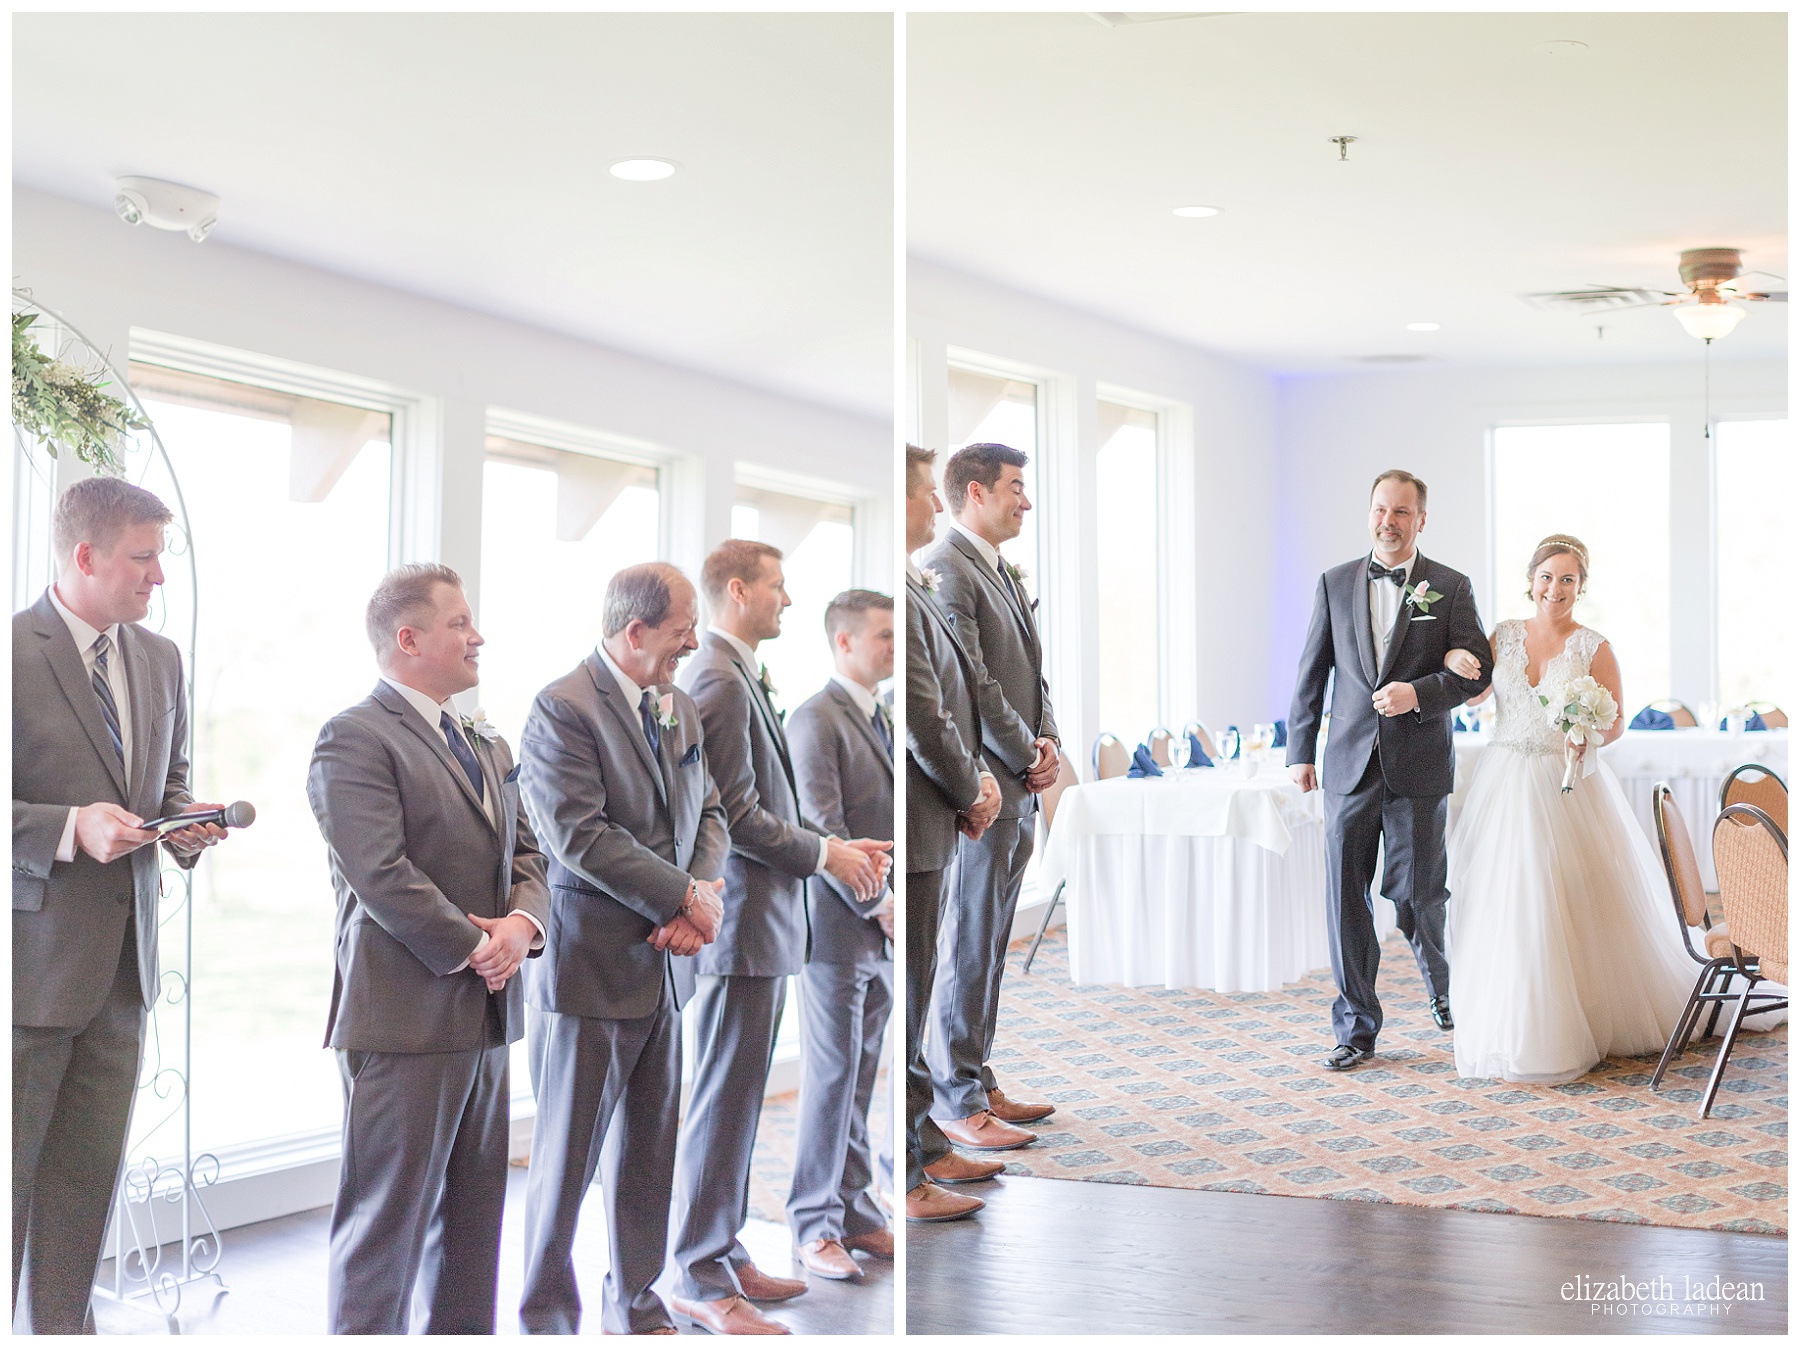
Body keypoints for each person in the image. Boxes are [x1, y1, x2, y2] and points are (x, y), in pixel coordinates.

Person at [307, 562, 551, 1333]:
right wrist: (478, 945)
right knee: (386, 1228)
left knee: (475, 1227)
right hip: (405, 1018)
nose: (477, 636)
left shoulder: (487, 738)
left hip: (485, 1019)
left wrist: (522, 927)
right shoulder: (353, 737)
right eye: (459, 623)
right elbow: (379, 874)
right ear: (408, 638)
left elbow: (530, 855)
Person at [13, 477, 229, 1334]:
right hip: (26, 976)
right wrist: (69, 827)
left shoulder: (161, 658)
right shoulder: (9, 652)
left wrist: (182, 825)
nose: (158, 578)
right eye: (144, 559)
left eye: (160, 558)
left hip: (125, 974)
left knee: (84, 1183)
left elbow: (163, 783)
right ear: (86, 555)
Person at [670, 540, 891, 1335]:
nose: (788, 600)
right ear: (738, 591)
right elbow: (735, 813)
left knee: (739, 1103)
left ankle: (722, 1252)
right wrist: (826, 850)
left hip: (767, 925)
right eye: (777, 587)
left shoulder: (736, 674)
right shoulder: (720, 680)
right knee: (721, 1102)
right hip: (739, 927)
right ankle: (696, 1271)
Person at [515, 562, 727, 1336]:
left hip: (666, 970)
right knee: (566, 1166)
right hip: (588, 974)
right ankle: (547, 1316)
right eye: (681, 630)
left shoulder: (679, 708)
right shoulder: (562, 708)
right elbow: (577, 835)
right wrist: (683, 896)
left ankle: (635, 1302)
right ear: (634, 632)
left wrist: (697, 892)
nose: (693, 642)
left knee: (647, 1157)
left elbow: (711, 811)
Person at [1444, 536, 1696, 1082]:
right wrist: (1450, 656)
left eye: (1567, 579)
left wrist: (1589, 734)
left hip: (1566, 785)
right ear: (1530, 580)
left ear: (1581, 587)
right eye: (1546, 577)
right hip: (1506, 780)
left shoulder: (1593, 646)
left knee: (1567, 897)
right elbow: (1471, 695)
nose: (1554, 589)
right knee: (1507, 898)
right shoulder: (1505, 635)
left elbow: (1618, 719)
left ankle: (1577, 1017)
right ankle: (1514, 1021)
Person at [1286, 469, 1491, 1070]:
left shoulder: (1450, 586)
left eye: (1402, 512)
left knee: (1419, 894)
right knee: (1345, 898)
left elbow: (1476, 667)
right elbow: (1311, 672)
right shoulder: (1334, 583)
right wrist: (1300, 750)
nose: (1389, 521)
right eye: (1381, 509)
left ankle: (1441, 984)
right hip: (1349, 766)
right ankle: (1356, 1028)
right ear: (1369, 512)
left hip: (1419, 767)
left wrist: (1421, 693)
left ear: (1421, 519)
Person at [921, 444, 1061, 1150]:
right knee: (969, 939)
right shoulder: (947, 567)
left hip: (1019, 781)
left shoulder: (997, 567)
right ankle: (955, 1097)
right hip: (982, 788)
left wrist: (1050, 739)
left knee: (994, 940)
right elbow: (972, 681)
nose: (1025, 501)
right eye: (1016, 488)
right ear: (975, 492)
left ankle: (977, 1073)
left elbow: (1030, 673)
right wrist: (1021, 751)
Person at [903, 446, 1009, 1225]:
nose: (931, 507)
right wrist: (973, 785)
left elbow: (1000, 677)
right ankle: (923, 1144)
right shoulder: (925, 578)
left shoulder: (921, 577)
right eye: (919, 491)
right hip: (930, 810)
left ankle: (930, 1141)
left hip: (956, 798)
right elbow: (930, 708)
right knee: (925, 983)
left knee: (948, 963)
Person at [785, 590, 898, 1282]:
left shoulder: (880, 715)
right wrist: (882, 902)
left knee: (859, 1076)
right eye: (884, 636)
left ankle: (856, 1212)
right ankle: (813, 1223)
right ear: (845, 642)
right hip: (834, 927)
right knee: (829, 1080)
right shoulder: (813, 719)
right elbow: (820, 827)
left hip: (879, 931)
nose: (894, 646)